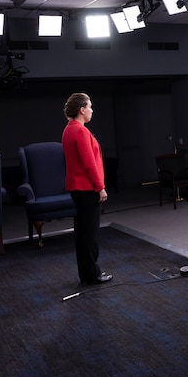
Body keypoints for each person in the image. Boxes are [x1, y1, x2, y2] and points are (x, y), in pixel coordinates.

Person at [62, 92, 112, 285]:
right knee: (89, 234)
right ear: (82, 110)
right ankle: (92, 274)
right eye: (89, 107)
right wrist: (100, 187)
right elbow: (89, 164)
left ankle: (87, 273)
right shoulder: (80, 131)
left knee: (83, 232)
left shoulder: (69, 129)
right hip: (87, 188)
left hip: (78, 188)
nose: (92, 110)